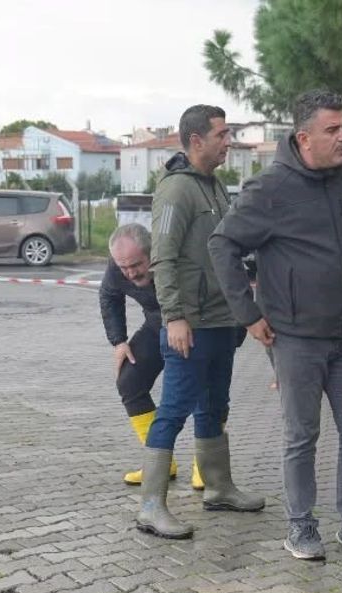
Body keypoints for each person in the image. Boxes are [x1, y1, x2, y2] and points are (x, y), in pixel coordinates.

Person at [209, 89, 342, 561]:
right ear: (304, 138)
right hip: (295, 338)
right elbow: (222, 245)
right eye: (333, 129)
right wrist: (248, 314)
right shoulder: (270, 188)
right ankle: (301, 526)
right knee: (302, 435)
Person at [136, 104, 265, 540]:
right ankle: (151, 506)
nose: (228, 141)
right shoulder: (177, 190)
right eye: (221, 135)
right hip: (190, 325)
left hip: (221, 320)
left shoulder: (214, 185)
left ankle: (218, 487)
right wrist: (174, 317)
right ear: (196, 141)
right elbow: (163, 257)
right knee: (173, 411)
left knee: (214, 407)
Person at [101, 223, 201, 488]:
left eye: (137, 265)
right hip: (157, 324)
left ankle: (208, 465)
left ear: (152, 253)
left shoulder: (177, 257)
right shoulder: (117, 267)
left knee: (203, 387)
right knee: (129, 380)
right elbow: (109, 296)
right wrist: (119, 341)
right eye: (124, 267)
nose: (131, 273)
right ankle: (160, 463)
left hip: (198, 324)